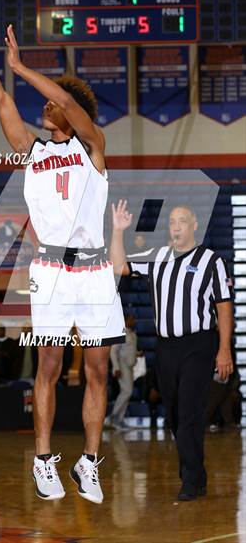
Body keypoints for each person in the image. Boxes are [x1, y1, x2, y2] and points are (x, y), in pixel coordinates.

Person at [0, 26, 125, 505]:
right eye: (46, 101)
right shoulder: (32, 151)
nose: (45, 107)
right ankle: (43, 460)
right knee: (49, 361)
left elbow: (65, 101)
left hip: (95, 269)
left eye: (52, 103)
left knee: (99, 370)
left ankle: (89, 462)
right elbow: (1, 99)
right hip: (50, 270)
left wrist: (24, 68)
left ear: (69, 109)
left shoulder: (91, 145)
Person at [110, 200, 234, 501]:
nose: (175, 226)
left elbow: (224, 306)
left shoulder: (211, 261)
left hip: (198, 344)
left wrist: (224, 349)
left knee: (190, 412)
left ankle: (190, 481)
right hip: (166, 348)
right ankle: (197, 474)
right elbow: (119, 266)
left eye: (181, 221)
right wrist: (117, 231)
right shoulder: (158, 256)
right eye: (172, 222)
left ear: (194, 225)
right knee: (176, 417)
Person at [104, 314, 140, 430]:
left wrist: (137, 354)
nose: (134, 321)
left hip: (129, 367)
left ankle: (118, 420)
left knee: (126, 392)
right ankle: (113, 416)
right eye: (131, 319)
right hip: (122, 366)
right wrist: (116, 368)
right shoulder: (120, 332)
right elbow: (113, 351)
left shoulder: (132, 333)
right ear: (125, 321)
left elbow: (129, 350)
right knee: (127, 391)